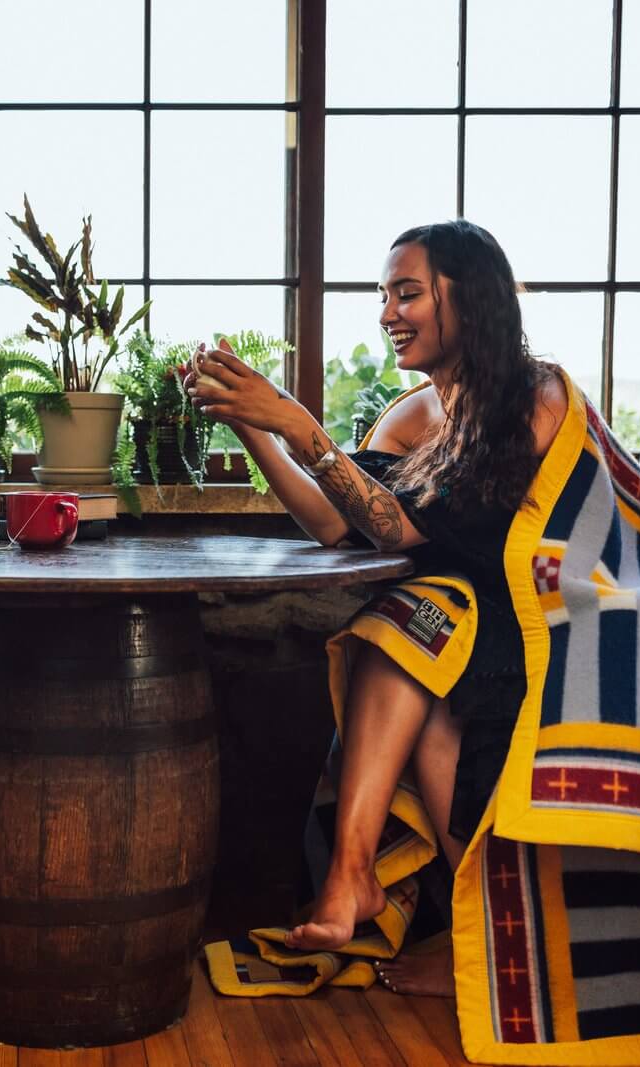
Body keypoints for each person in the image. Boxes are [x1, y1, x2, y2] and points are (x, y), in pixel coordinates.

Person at [189, 219, 568, 997]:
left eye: (407, 293)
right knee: (406, 629)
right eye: (383, 296)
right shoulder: (416, 413)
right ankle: (367, 883)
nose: (388, 313)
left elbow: (395, 523)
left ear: (470, 300)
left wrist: (296, 419)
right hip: (449, 637)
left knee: (409, 621)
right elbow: (336, 519)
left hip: (545, 622)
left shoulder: (538, 397)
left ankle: (357, 879)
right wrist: (255, 425)